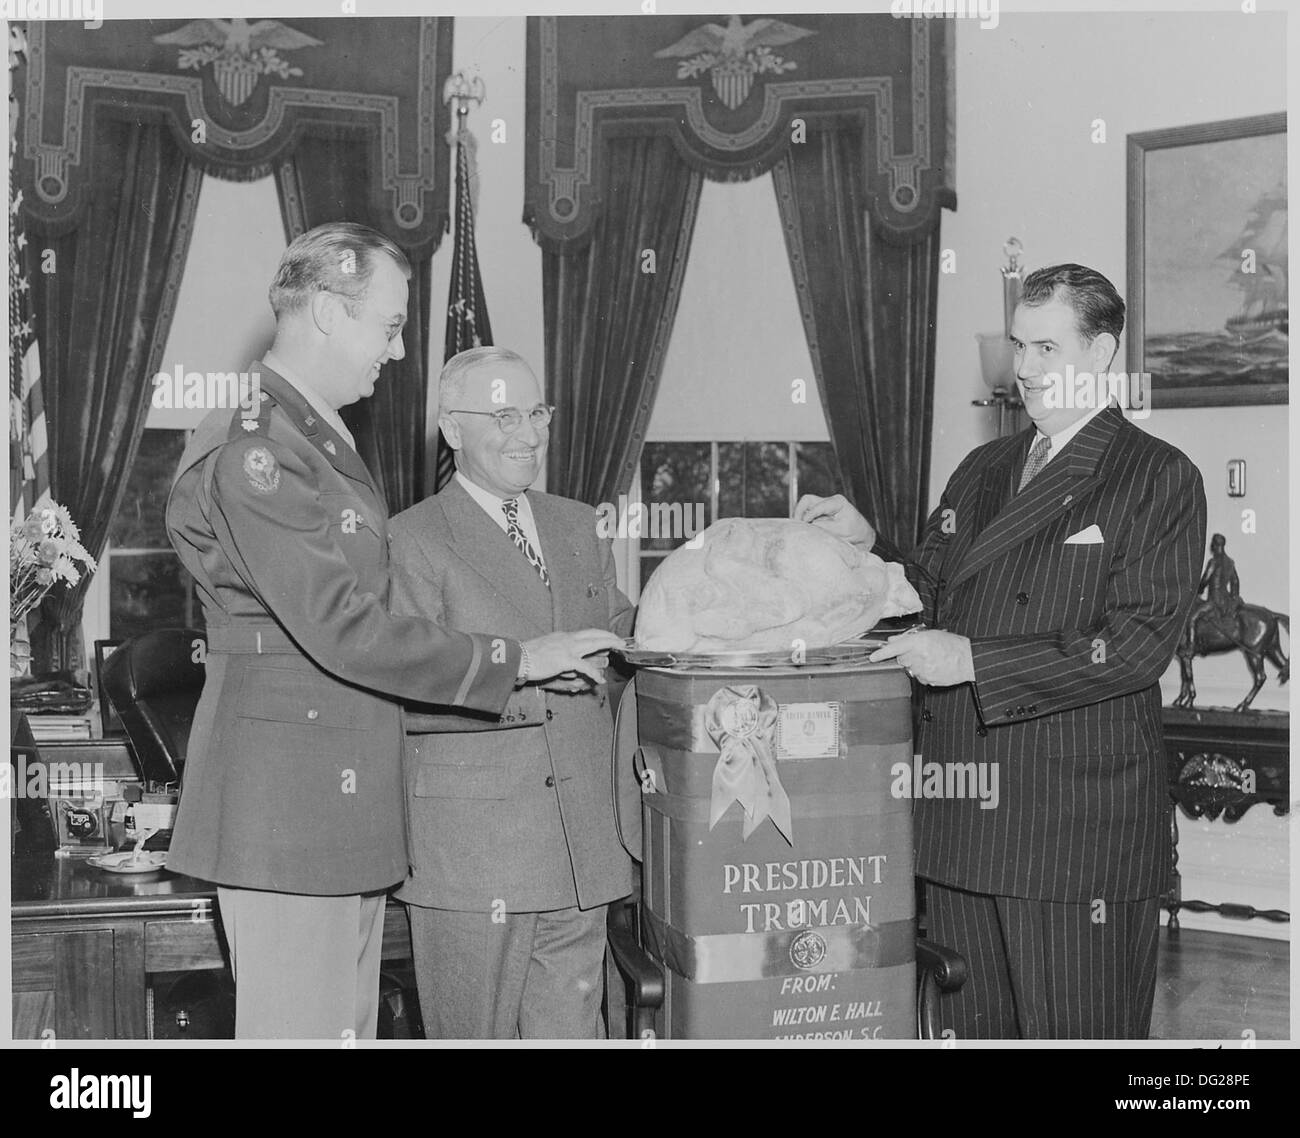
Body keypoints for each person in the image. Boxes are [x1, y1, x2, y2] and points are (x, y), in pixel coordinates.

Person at [164, 224, 621, 1039]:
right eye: (388, 323)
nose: (400, 348)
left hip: (335, 809)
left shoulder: (309, 437)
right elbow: (345, 627)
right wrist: (517, 659)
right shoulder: (261, 447)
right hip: (290, 811)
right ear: (332, 313)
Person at [796, 263, 1206, 1039]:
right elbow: (930, 589)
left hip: (1073, 842)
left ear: (1102, 354)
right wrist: (866, 548)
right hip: (962, 823)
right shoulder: (984, 469)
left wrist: (976, 662)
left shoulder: (1157, 476)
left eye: (1046, 349)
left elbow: (1133, 647)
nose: (1023, 370)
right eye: (1018, 346)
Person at [387, 346, 637, 1039]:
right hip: (475, 860)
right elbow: (401, 695)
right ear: (452, 429)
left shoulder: (578, 523)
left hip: (583, 851)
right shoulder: (408, 540)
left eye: (536, 412)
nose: (528, 433)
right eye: (504, 415)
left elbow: (622, 643)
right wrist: (526, 676)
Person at [1188, 533, 1241, 641]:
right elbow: (1235, 581)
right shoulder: (1230, 562)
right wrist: (1234, 597)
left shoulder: (1213, 562)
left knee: (1191, 619)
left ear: (1215, 545)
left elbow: (1205, 579)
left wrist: (1198, 590)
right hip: (1226, 601)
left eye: (1212, 544)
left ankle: (1190, 648)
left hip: (1214, 601)